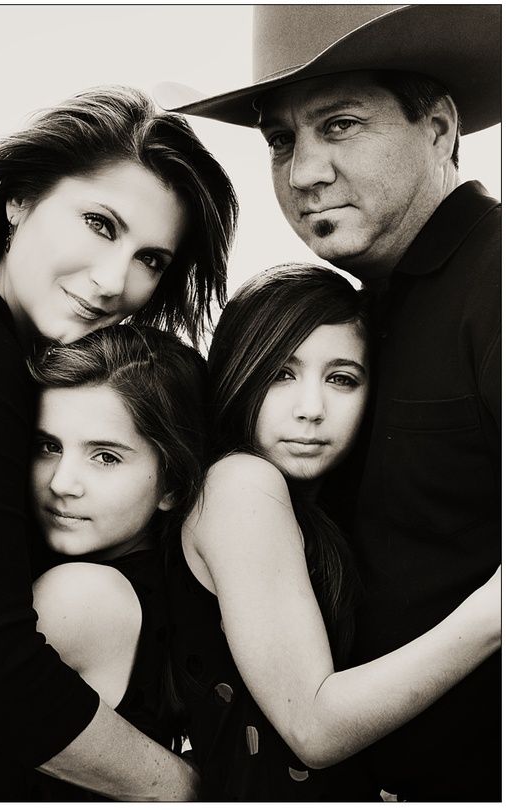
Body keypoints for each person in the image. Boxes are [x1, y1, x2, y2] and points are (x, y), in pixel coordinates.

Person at [158, 5, 501, 800]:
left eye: (339, 125)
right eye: (281, 141)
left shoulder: (496, 280)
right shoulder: (359, 312)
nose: (302, 172)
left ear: (441, 129)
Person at [0, 84, 237, 801]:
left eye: (152, 259)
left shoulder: (14, 360)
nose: (114, 280)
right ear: (18, 200)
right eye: (99, 222)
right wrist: (183, 789)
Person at [166, 263, 500, 801]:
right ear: (237, 371)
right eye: (281, 373)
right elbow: (314, 729)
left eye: (342, 378)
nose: (311, 410)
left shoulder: (321, 506)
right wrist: (494, 610)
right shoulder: (241, 485)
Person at [0, 324, 209, 800]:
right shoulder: (159, 586)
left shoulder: (81, 595)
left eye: (106, 457)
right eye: (48, 446)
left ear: (173, 484)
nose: (62, 483)